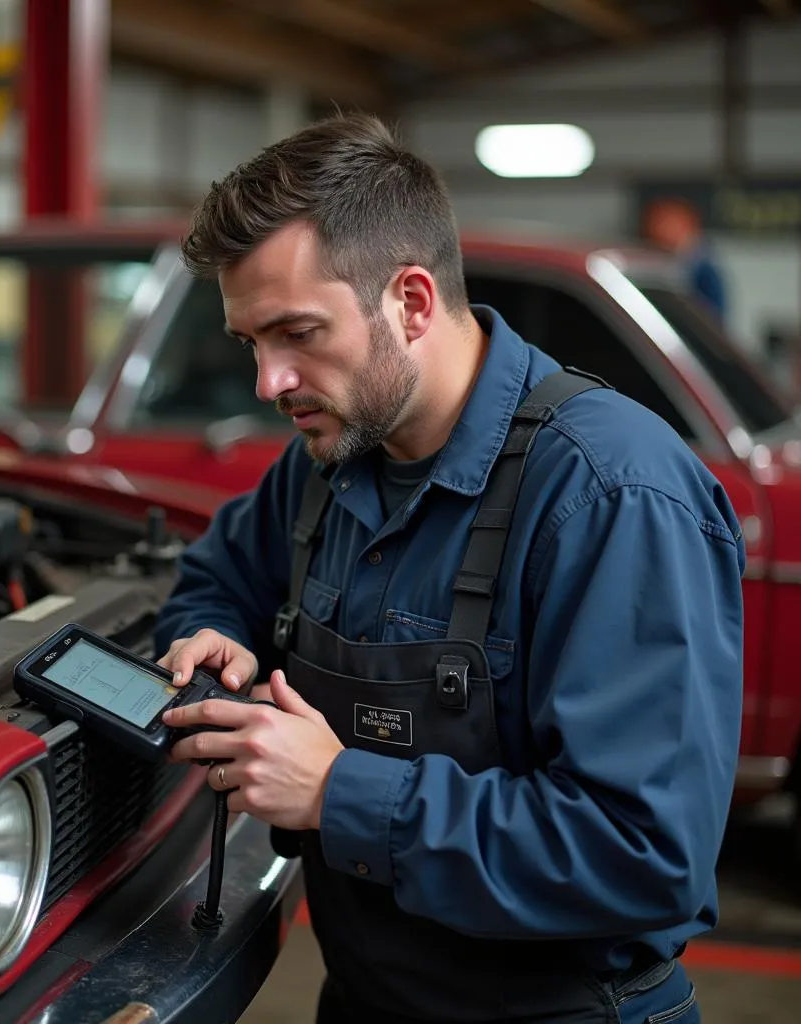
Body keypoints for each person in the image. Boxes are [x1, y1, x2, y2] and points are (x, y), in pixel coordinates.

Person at [154, 113, 744, 1024]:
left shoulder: (610, 496)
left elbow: (643, 854)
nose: (269, 382)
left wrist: (338, 792)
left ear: (413, 302)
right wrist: (216, 635)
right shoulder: (329, 463)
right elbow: (217, 580)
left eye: (298, 333)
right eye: (251, 345)